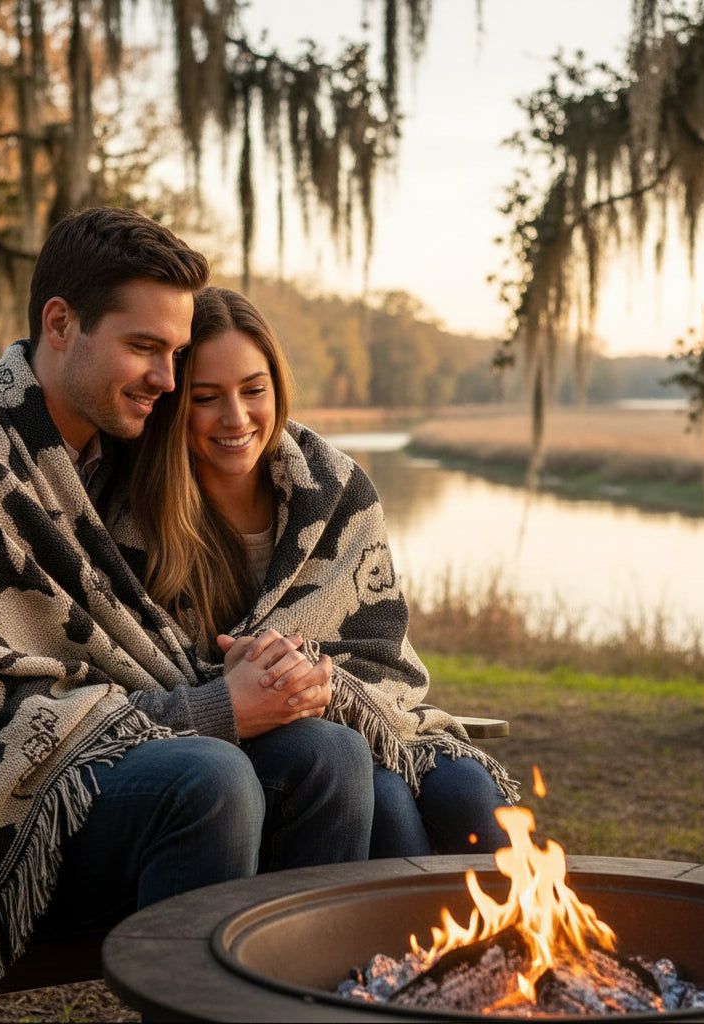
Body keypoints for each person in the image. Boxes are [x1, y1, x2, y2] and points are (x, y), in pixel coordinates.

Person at [0, 208, 373, 1021]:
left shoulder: (102, 459)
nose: (169, 382)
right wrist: (215, 708)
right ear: (59, 325)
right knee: (209, 777)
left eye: (175, 354)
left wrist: (249, 679)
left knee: (329, 756)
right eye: (146, 349)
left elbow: (140, 646)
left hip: (102, 773)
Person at [113, 285, 521, 859]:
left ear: (277, 386)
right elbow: (139, 667)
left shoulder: (334, 489)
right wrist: (240, 682)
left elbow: (377, 648)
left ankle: (508, 947)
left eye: (254, 390)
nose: (236, 417)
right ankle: (383, 951)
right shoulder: (139, 514)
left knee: (470, 792)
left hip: (364, 722)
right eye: (206, 397)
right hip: (240, 746)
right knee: (390, 807)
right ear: (177, 403)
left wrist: (317, 680)